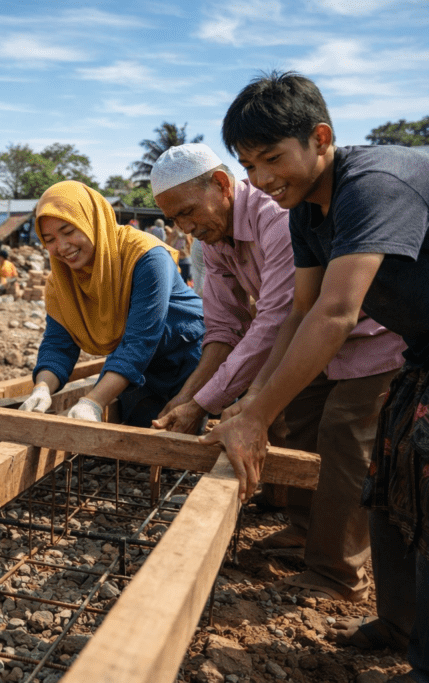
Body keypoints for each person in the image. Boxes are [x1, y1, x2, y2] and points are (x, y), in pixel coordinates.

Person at [210, 71, 429, 681]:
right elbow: (299, 312)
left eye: (272, 158)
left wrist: (254, 417)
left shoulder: (374, 185)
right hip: (421, 347)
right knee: (389, 479)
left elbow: (337, 312)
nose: (261, 179)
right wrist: (253, 401)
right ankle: (399, 625)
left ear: (321, 138)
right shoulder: (306, 210)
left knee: (427, 487)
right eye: (248, 164)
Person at [151, 142, 404, 603]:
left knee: (345, 436)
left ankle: (338, 574)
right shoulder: (212, 242)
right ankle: (305, 531)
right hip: (312, 337)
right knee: (297, 422)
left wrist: (207, 403)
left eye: (189, 211)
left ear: (223, 185)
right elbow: (225, 328)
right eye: (176, 220)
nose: (185, 227)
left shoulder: (275, 217)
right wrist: (188, 397)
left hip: (368, 335)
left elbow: (275, 316)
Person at [18, 181, 204, 427]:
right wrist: (41, 388)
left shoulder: (146, 256)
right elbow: (58, 343)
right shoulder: (61, 280)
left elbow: (140, 339)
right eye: (49, 239)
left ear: (91, 221)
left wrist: (93, 401)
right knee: (137, 441)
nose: (62, 247)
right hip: (142, 370)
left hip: (189, 356)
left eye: (68, 230)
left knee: (187, 440)